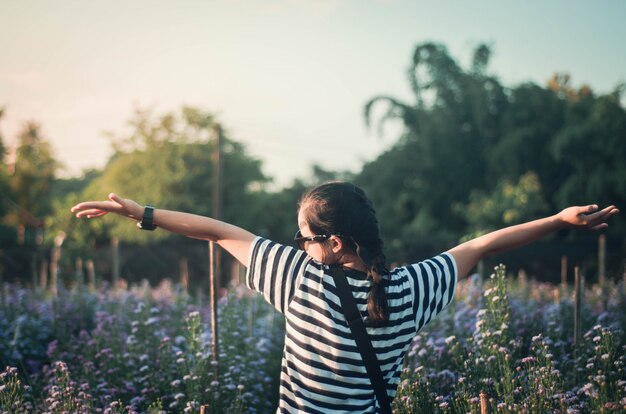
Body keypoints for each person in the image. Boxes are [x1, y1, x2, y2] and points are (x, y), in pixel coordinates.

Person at [71, 181, 618, 413]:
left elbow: (216, 230)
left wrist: (140, 213)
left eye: (303, 237)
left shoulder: (298, 279)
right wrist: (557, 220)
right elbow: (481, 245)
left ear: (332, 244)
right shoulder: (409, 290)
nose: (295, 245)